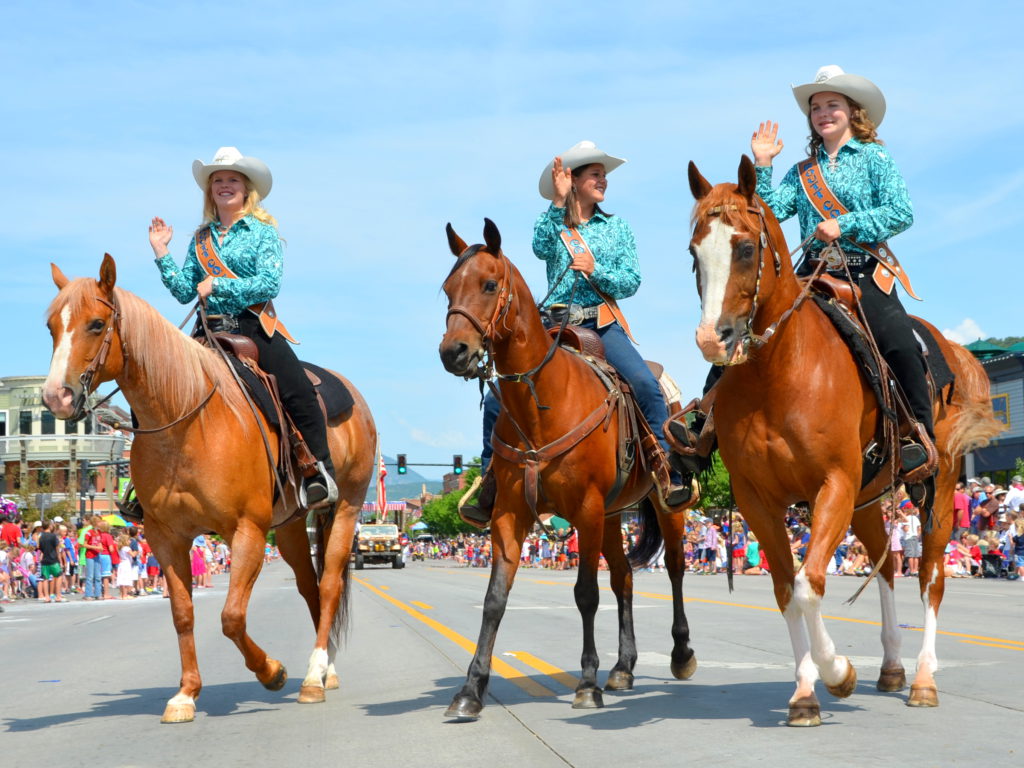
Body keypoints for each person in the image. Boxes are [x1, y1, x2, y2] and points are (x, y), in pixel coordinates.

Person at [675, 66, 934, 483]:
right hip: (811, 274)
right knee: (747, 331)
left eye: (833, 104)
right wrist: (762, 164)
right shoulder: (802, 172)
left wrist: (844, 225)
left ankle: (917, 436)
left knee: (900, 343)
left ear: (853, 111)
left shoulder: (874, 157)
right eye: (816, 107)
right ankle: (701, 425)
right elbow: (767, 210)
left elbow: (900, 212)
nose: (823, 112)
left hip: (865, 271)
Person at [462, 141, 689, 524]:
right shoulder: (552, 222)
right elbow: (538, 248)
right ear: (574, 180)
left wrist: (594, 269)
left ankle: (664, 469)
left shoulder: (616, 227)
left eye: (603, 174)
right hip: (555, 326)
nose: (602, 180)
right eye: (595, 174)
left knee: (645, 385)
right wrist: (556, 202)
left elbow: (631, 280)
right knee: (499, 396)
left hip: (602, 323)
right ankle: (490, 480)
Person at [149, 147, 336, 509]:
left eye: (232, 179)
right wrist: (161, 252)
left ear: (246, 188)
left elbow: (269, 283)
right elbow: (184, 291)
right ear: (210, 191)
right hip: (207, 331)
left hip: (252, 328)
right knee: (162, 389)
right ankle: (153, 483)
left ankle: (319, 473)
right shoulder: (200, 239)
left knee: (298, 391)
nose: (224, 185)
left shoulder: (263, 232)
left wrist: (219, 285)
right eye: (217, 180)